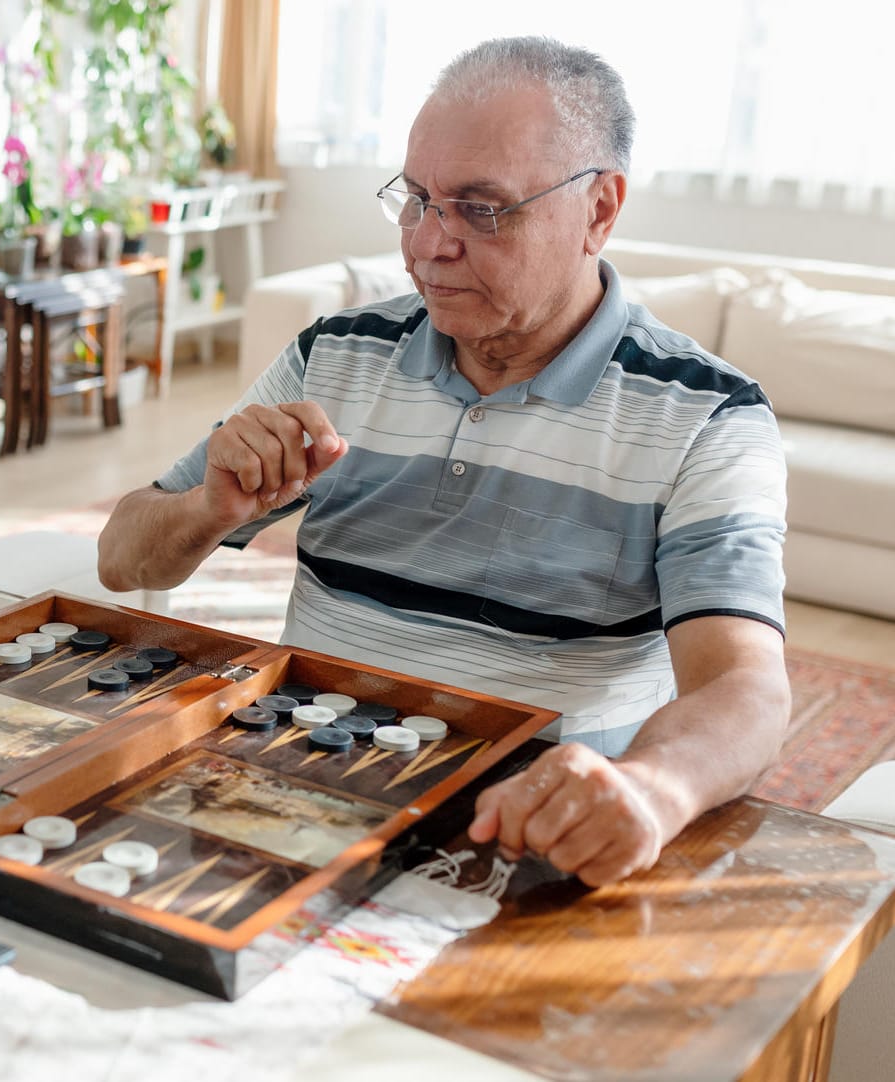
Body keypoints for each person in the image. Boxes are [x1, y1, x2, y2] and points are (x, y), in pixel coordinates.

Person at [97, 36, 790, 888]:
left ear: (599, 209)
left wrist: (649, 790)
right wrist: (208, 506)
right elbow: (121, 557)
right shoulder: (336, 354)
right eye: (416, 199)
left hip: (529, 832)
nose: (428, 244)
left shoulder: (707, 415)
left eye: (481, 209)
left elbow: (745, 690)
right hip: (297, 784)